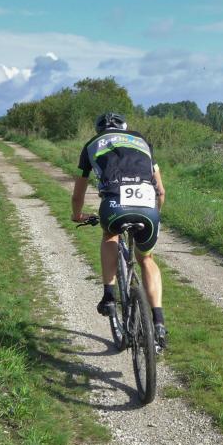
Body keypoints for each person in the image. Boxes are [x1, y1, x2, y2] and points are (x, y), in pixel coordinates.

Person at [71, 112, 167, 351]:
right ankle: (158, 322)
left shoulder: (92, 144)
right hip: (148, 206)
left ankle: (109, 295)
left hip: (115, 205)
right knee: (146, 259)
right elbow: (161, 191)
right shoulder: (141, 141)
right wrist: (155, 213)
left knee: (110, 235)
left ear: (99, 130)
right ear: (125, 128)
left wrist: (77, 215)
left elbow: (78, 194)